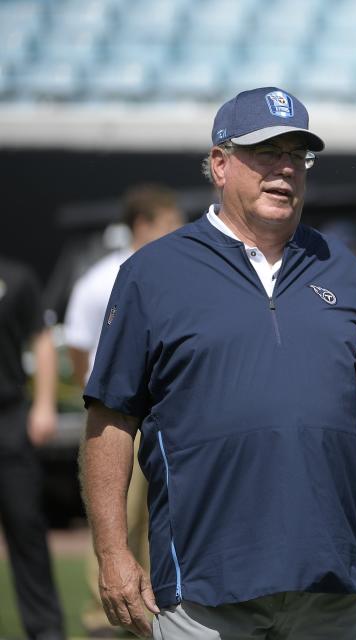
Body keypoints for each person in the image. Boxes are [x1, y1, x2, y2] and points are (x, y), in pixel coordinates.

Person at [78, 86, 356, 640]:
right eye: (266, 152)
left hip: (329, 575)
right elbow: (110, 420)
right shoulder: (154, 272)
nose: (285, 169)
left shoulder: (342, 268)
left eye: (298, 155)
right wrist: (114, 553)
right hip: (206, 579)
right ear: (219, 163)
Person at [63, 184, 184, 637]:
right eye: (169, 223)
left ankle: (161, 608)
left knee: (162, 514)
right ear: (143, 225)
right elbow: (76, 341)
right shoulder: (101, 277)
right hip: (118, 417)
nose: (177, 232)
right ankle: (102, 618)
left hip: (165, 417)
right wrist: (92, 394)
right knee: (118, 516)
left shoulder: (174, 271)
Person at [0, 255, 65, 640]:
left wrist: (44, 404)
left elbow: (40, 338)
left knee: (26, 524)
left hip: (8, 417)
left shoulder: (16, 277)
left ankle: (46, 630)